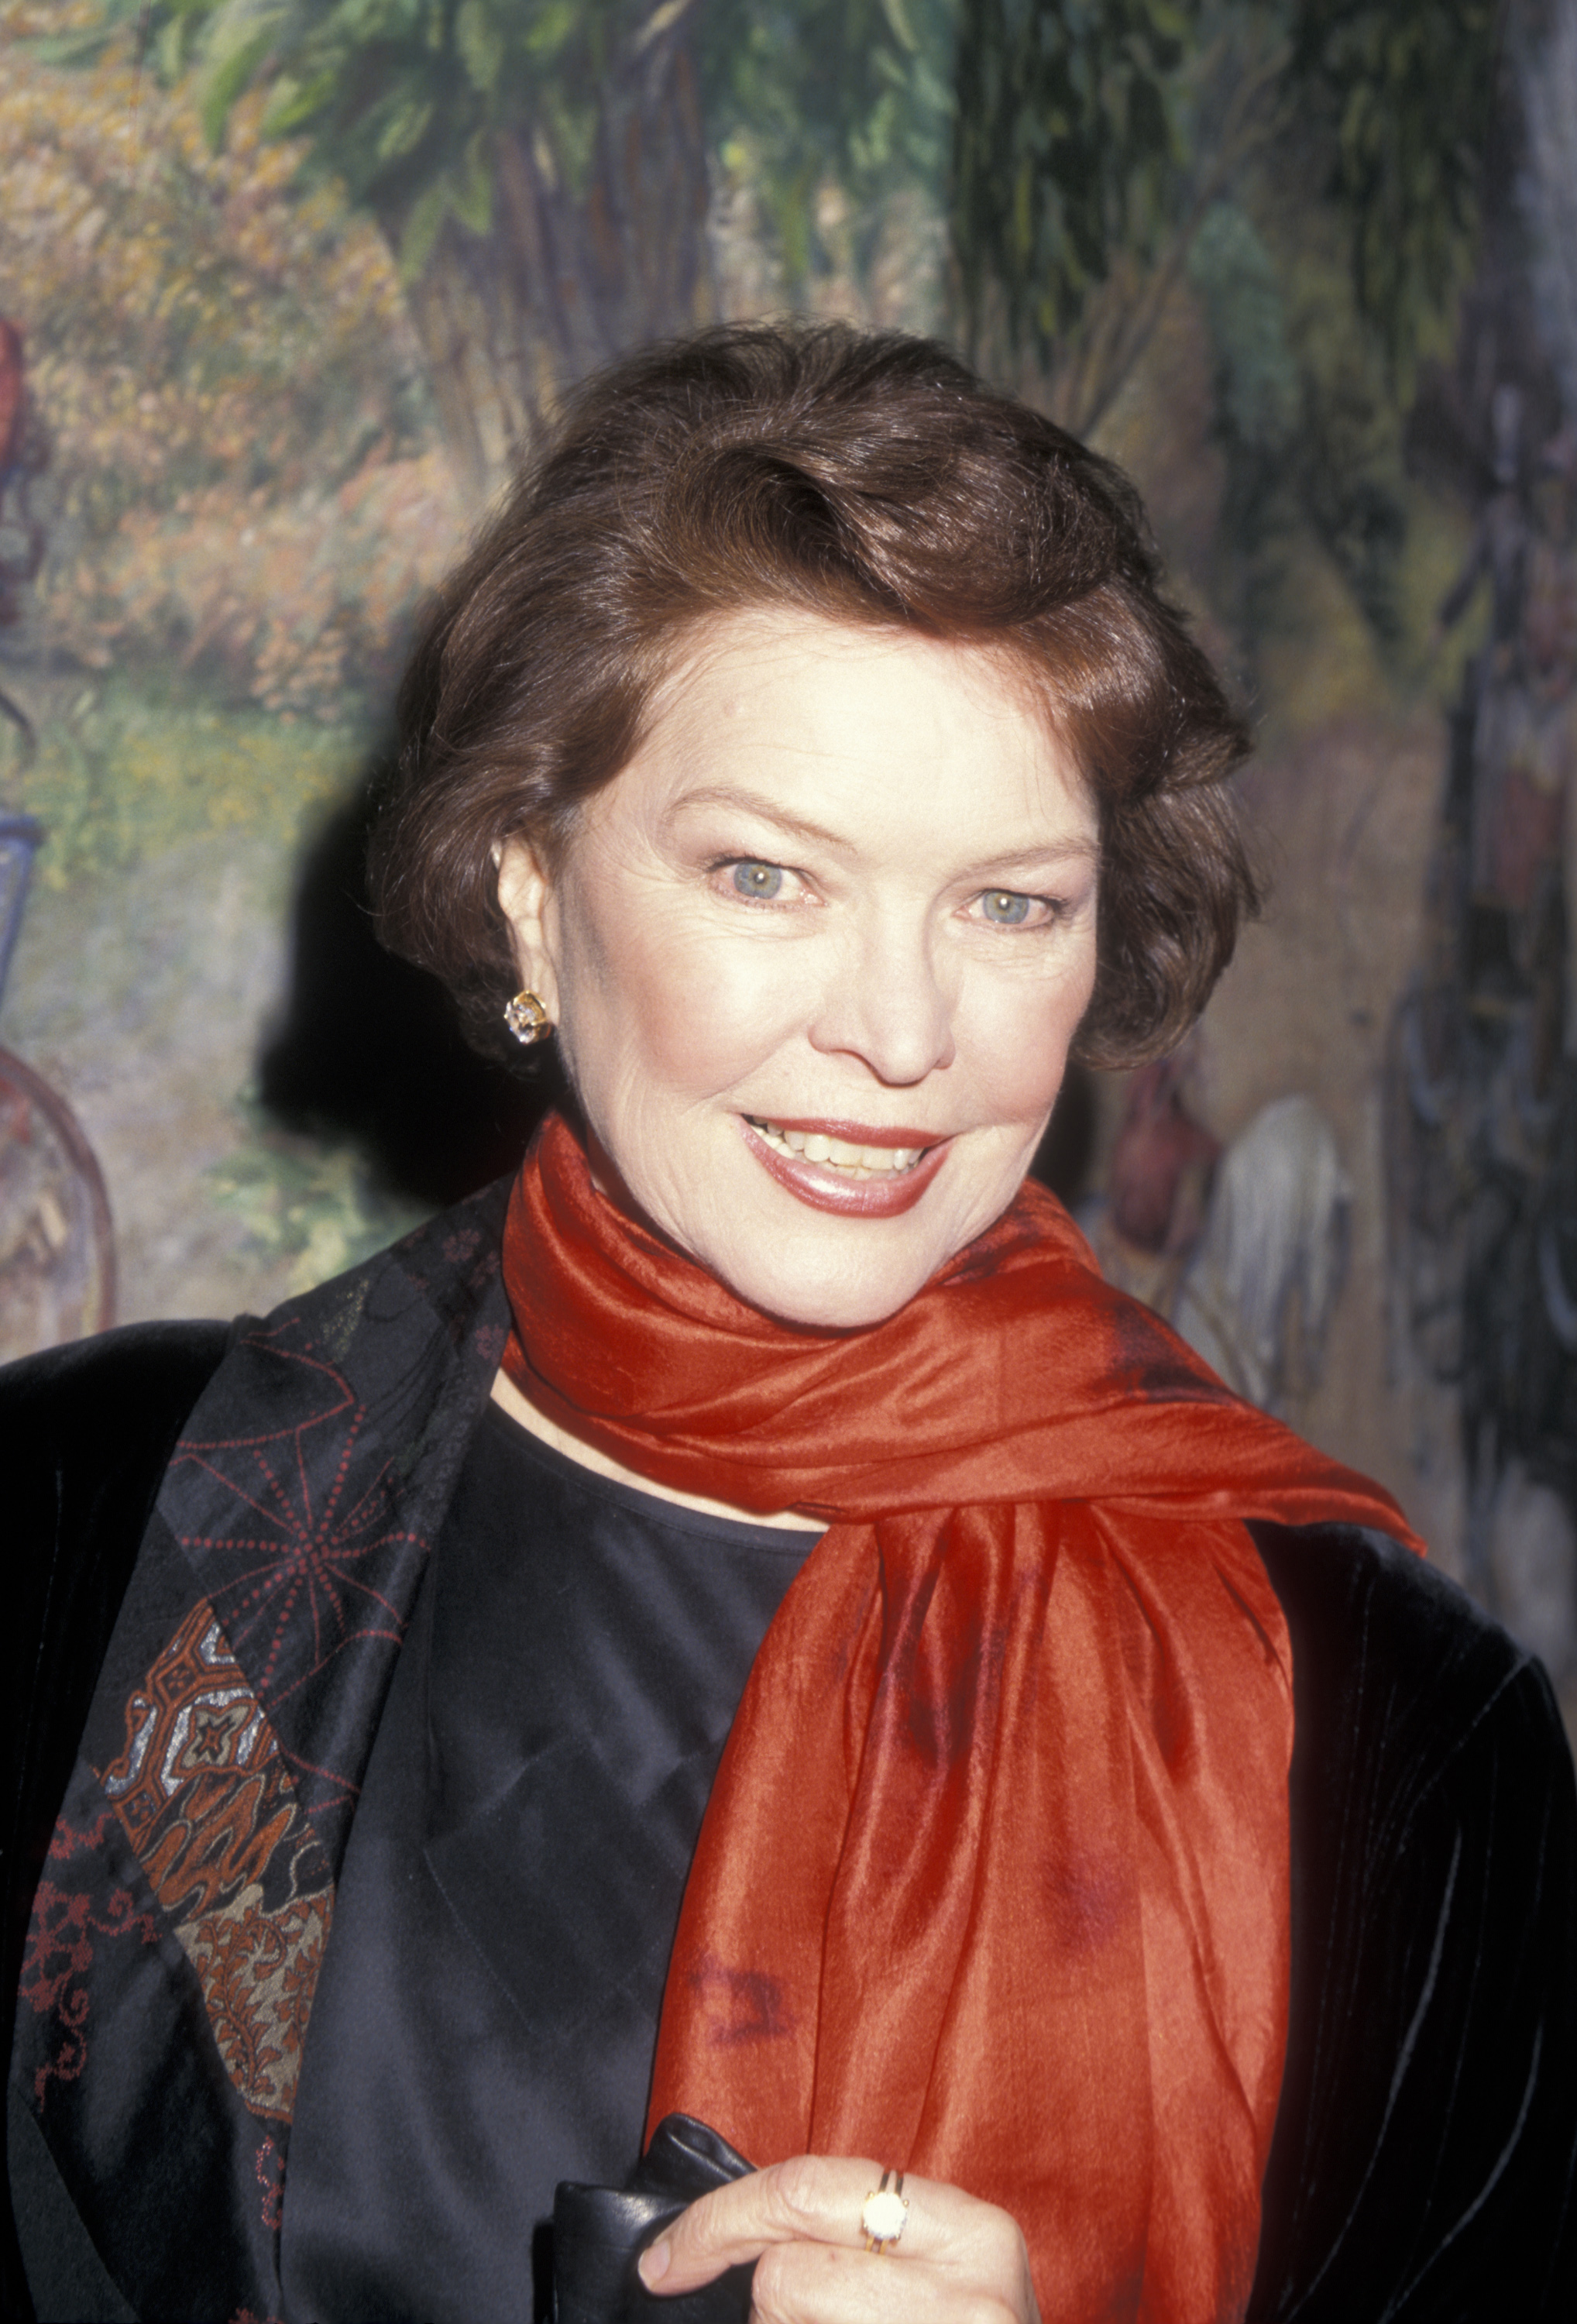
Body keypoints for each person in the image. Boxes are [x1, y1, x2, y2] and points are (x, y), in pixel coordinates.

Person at [5, 324, 1575, 2324]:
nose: (899, 1036)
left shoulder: (1389, 1726)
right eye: (766, 874)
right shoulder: (87, 1525)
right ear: (527, 894)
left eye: (1007, 903)